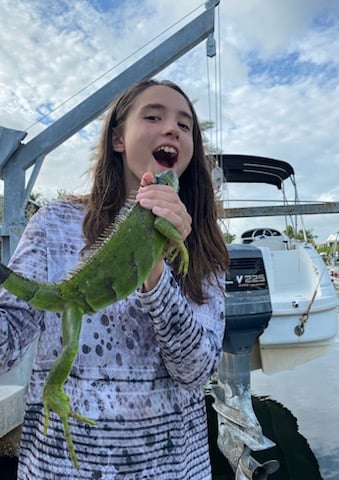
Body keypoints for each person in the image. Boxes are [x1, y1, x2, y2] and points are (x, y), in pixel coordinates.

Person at [0, 78, 229, 479]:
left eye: (185, 125)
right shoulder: (53, 223)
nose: (172, 128)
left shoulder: (202, 243)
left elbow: (195, 372)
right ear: (118, 139)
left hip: (174, 470)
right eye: (153, 116)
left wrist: (154, 266)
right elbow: (7, 341)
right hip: (60, 470)